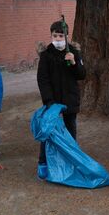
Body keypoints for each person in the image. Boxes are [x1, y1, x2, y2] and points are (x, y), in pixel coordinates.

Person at [36, 20, 86, 178]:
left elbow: (82, 74)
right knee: (48, 131)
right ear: (51, 36)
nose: (57, 39)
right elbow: (42, 80)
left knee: (70, 130)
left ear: (66, 36)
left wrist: (73, 62)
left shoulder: (74, 53)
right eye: (54, 35)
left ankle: (71, 160)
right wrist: (49, 102)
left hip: (70, 100)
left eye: (60, 35)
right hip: (52, 101)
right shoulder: (46, 55)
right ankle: (43, 162)